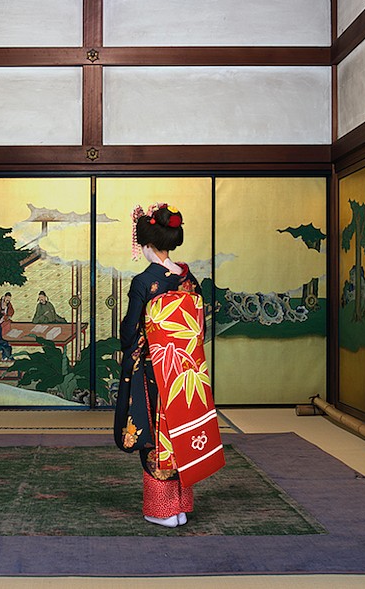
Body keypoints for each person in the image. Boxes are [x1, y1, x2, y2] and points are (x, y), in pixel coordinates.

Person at [114, 204, 223, 529]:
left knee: (154, 435)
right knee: (182, 433)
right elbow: (199, 330)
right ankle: (181, 508)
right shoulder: (190, 281)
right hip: (186, 371)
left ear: (146, 246)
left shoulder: (144, 282)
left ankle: (161, 510)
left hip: (155, 371)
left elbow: (129, 332)